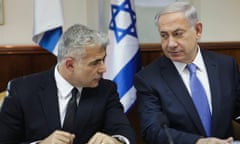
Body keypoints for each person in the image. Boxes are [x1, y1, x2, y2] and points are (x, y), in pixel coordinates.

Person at [0, 24, 136, 144]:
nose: (103, 68)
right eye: (95, 62)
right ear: (70, 65)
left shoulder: (105, 89)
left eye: (103, 60)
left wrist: (115, 140)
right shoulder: (22, 90)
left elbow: (124, 131)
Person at [134, 2, 240, 144]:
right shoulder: (148, 78)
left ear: (198, 30)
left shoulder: (225, 65)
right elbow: (152, 131)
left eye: (178, 34)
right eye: (164, 35)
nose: (171, 43)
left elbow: (237, 111)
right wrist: (198, 142)